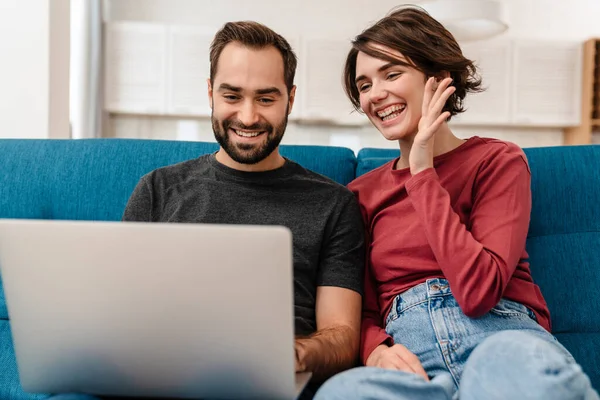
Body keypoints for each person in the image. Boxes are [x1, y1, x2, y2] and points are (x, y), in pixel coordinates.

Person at [47, 20, 364, 400]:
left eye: (266, 99)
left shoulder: (333, 203)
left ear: (290, 99)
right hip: (160, 379)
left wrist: (295, 353)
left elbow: (342, 338)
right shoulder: (157, 190)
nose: (248, 118)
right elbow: (119, 313)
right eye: (232, 96)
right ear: (210, 92)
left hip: (268, 385)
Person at [314, 6, 599, 400]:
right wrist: (375, 349)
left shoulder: (498, 161)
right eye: (363, 85)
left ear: (438, 78)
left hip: (501, 337)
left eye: (392, 74)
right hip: (411, 357)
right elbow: (359, 308)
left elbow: (479, 291)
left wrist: (421, 173)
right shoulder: (359, 195)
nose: (375, 94)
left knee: (525, 377)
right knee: (342, 394)